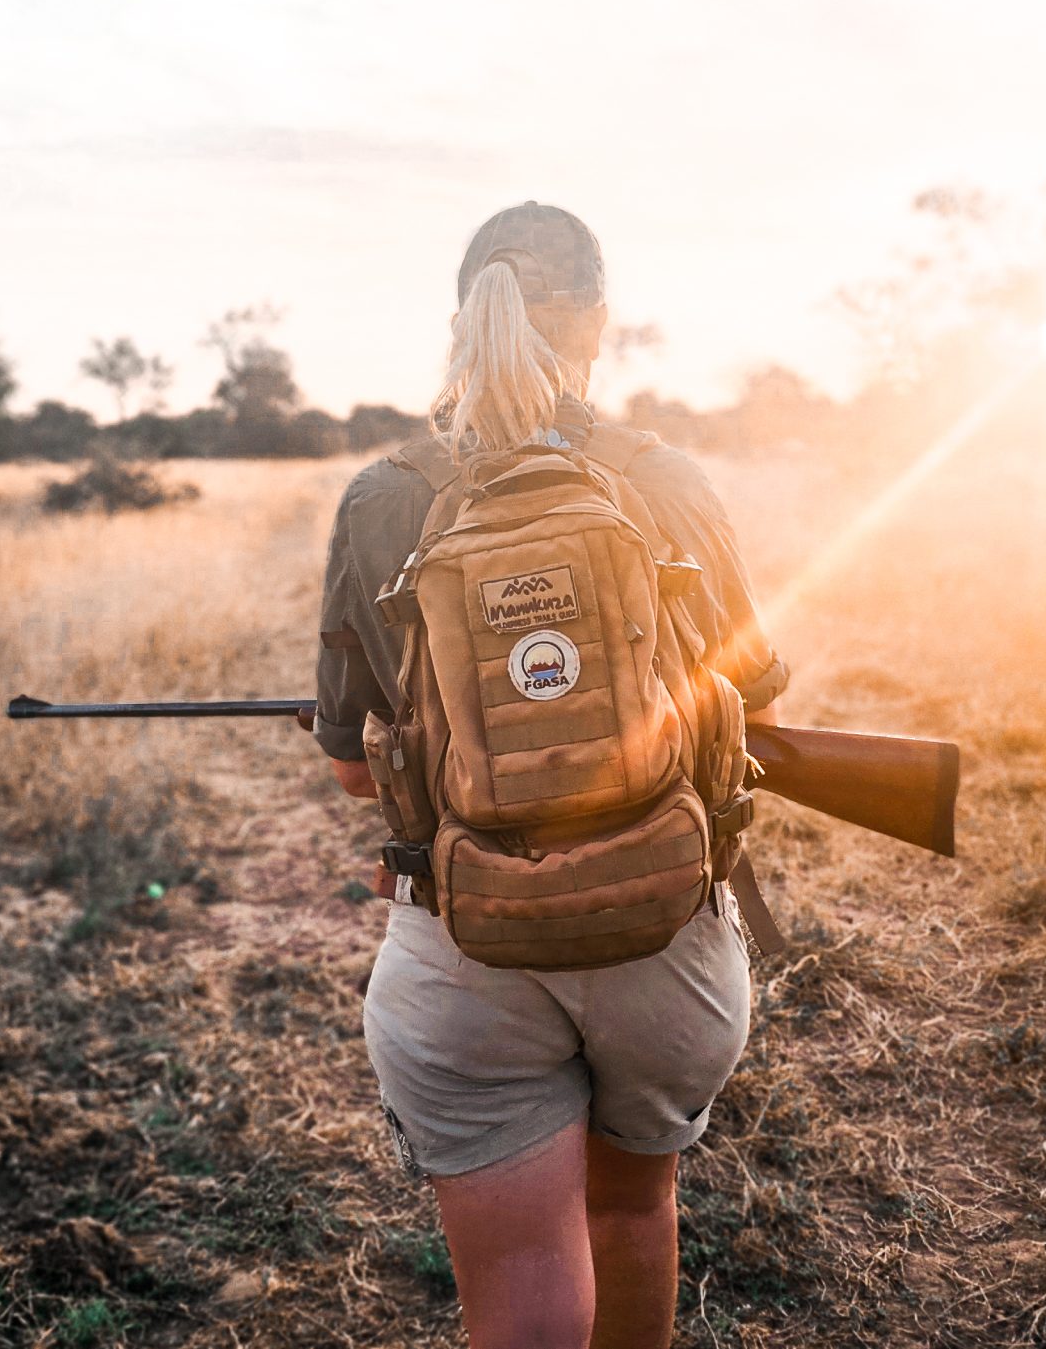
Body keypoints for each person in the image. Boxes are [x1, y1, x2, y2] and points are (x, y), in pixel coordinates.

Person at [312, 202, 791, 1348]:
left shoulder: (385, 496)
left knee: (522, 1264)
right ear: (600, 324)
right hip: (666, 935)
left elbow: (348, 770)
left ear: (461, 323)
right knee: (632, 1206)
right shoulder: (664, 478)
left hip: (466, 944)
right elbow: (756, 707)